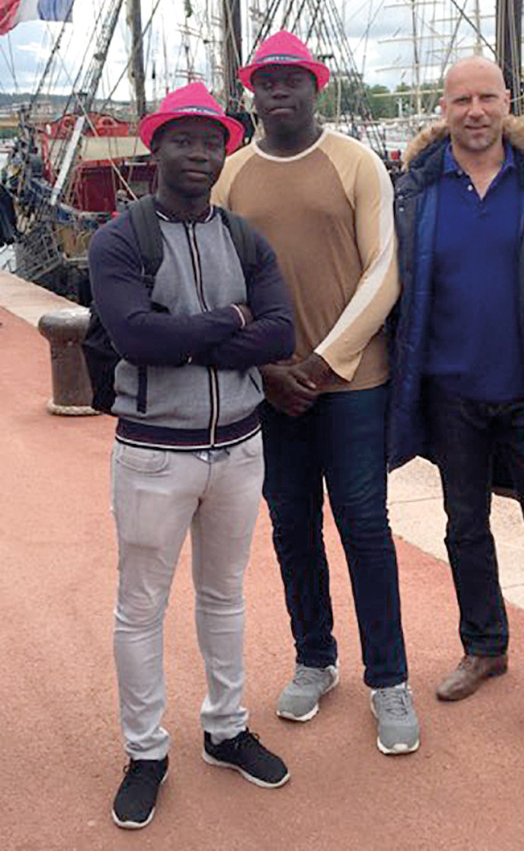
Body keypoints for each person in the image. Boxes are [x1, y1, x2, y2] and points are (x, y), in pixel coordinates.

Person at [88, 81, 296, 830]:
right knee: (141, 607)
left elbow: (281, 334)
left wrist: (195, 333)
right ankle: (146, 752)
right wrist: (229, 321)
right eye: (185, 138)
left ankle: (225, 728)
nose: (201, 152)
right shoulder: (122, 240)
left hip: (240, 447)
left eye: (212, 140)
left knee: (226, 595)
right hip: (153, 456)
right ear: (158, 145)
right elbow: (137, 339)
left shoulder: (243, 237)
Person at [213, 30, 419, 755]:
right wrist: (268, 369)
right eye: (266, 81)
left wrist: (325, 363)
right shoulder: (231, 174)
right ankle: (314, 657)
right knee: (291, 524)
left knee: (364, 527)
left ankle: (389, 679)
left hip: (353, 383)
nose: (278, 92)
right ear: (253, 92)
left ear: (313, 86)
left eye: (291, 80)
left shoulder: (356, 164)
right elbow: (217, 280)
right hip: (270, 385)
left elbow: (383, 272)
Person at [388, 56, 524, 742]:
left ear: (508, 102)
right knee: (463, 526)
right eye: (461, 100)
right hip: (450, 390)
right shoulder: (415, 189)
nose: (474, 111)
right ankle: (485, 645)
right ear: (443, 108)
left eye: (487, 98)